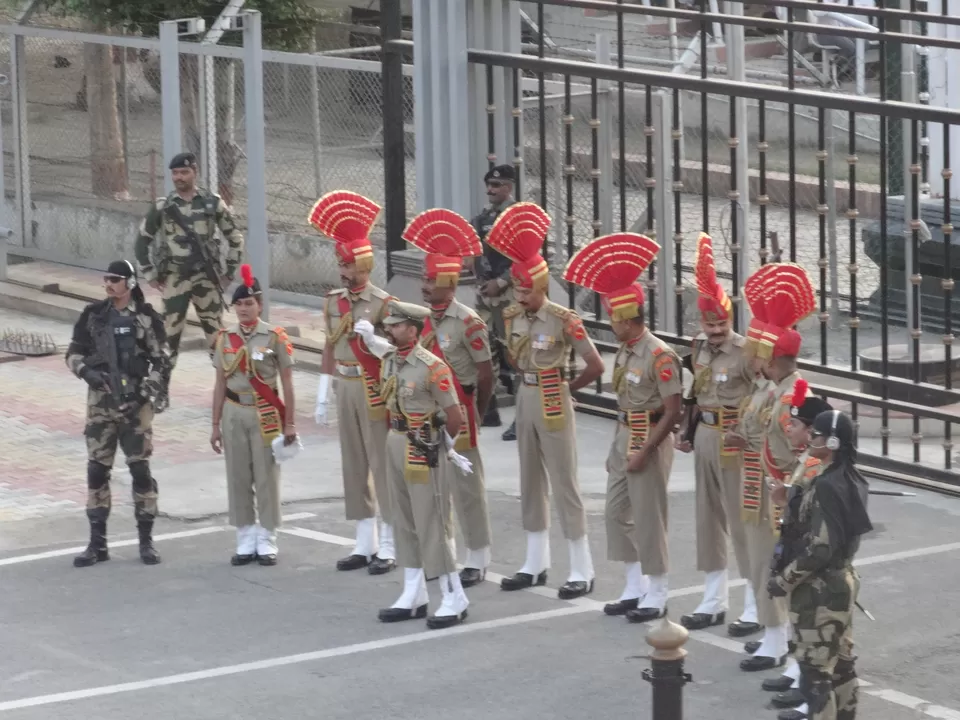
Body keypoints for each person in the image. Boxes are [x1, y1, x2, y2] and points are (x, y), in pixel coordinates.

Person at [485, 202, 605, 599]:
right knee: (530, 480)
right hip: (526, 395)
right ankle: (534, 563)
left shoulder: (564, 318)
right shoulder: (512, 316)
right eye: (516, 288)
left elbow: (594, 364)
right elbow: (513, 359)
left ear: (541, 285)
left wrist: (567, 390)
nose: (519, 294)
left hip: (553, 396)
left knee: (564, 482)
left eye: (525, 288)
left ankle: (581, 568)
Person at [563, 232, 682, 622]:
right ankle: (635, 585)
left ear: (630, 319)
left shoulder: (659, 356)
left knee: (649, 517)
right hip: (625, 434)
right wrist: (618, 451)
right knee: (616, 514)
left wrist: (644, 450)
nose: (610, 324)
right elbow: (624, 406)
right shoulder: (627, 351)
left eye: (614, 318)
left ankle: (658, 590)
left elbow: (672, 409)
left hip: (650, 437)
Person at [352, 300, 474, 629]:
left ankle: (453, 595)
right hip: (395, 439)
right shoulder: (391, 361)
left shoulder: (432, 366)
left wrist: (442, 447)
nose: (388, 329)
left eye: (395, 325)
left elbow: (454, 416)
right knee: (402, 518)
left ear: (413, 330)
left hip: (423, 445)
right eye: (388, 325)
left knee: (432, 522)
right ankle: (413, 592)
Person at [404, 208, 495, 586]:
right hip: (430, 411)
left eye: (431, 281)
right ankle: (446, 552)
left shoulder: (469, 322)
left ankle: (479, 556)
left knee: (466, 486)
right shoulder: (421, 319)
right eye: (423, 280)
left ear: (450, 283)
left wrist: (477, 411)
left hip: (463, 407)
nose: (425, 287)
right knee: (436, 483)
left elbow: (487, 374)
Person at [310, 190, 396, 575]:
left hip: (372, 385)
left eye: (348, 266)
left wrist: (376, 340)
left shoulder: (383, 303)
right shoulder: (332, 302)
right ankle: (365, 542)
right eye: (340, 265)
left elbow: (397, 350)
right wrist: (322, 392)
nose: (343, 272)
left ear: (365, 265)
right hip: (344, 385)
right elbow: (330, 346)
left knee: (381, 462)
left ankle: (391, 543)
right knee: (354, 463)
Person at [65, 259, 171, 567]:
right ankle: (97, 544)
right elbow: (73, 353)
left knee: (140, 471)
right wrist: (87, 373)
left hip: (136, 407)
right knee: (97, 471)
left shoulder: (147, 318)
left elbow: (160, 362)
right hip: (101, 404)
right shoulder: (93, 316)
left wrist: (142, 395)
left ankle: (146, 542)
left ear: (130, 283)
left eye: (115, 279)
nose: (108, 283)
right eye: (106, 278)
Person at [677, 233, 758, 633]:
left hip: (735, 443)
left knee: (743, 522)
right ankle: (713, 599)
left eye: (721, 323)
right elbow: (695, 392)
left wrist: (752, 438)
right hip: (706, 438)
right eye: (709, 325)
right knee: (707, 521)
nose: (715, 331)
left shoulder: (746, 353)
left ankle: (755, 603)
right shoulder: (698, 348)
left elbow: (763, 399)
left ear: (730, 319)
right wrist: (685, 430)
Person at [768, 410, 871, 720]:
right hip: (842, 581)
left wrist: (784, 579)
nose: (810, 438)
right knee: (841, 665)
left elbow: (821, 548)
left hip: (820, 591)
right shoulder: (851, 477)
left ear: (833, 441)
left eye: (816, 434)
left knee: (815, 674)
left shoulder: (827, 484)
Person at [210, 264, 299, 566]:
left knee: (266, 476)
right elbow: (220, 382)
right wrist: (214, 424)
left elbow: (287, 381)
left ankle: (267, 539)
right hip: (234, 411)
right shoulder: (225, 339)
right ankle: (245, 538)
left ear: (260, 305)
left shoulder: (274, 336)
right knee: (238, 475)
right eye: (239, 303)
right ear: (233, 307)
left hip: (265, 412)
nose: (245, 308)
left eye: (250, 303)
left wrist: (290, 422)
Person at [134, 152, 245, 369]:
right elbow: (141, 242)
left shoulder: (212, 203)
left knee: (217, 338)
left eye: (184, 172)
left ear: (195, 172)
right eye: (175, 173)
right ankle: (161, 391)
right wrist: (150, 274)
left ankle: (227, 390)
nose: (179, 177)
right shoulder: (163, 207)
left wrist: (229, 272)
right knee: (168, 338)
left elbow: (235, 239)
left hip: (207, 278)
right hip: (176, 278)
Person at [471, 164, 517, 437]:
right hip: (485, 295)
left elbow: (528, 259)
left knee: (517, 353)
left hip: (510, 293)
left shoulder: (521, 218)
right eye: (489, 185)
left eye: (497, 185)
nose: (491, 190)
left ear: (509, 187)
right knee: (484, 350)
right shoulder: (482, 218)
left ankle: (521, 418)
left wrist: (501, 282)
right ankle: (488, 411)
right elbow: (474, 250)